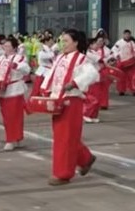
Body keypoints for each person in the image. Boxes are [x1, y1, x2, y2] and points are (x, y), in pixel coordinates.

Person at [41, 29, 99, 185]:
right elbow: (51, 75)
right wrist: (45, 89)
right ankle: (85, 158)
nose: (63, 44)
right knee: (63, 136)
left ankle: (63, 173)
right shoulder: (60, 57)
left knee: (65, 138)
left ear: (76, 43)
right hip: (57, 100)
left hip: (72, 101)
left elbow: (92, 74)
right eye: (62, 41)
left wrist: (75, 83)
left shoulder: (82, 59)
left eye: (66, 41)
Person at [0, 36, 30, 151]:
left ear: (14, 47)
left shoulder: (19, 58)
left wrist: (17, 66)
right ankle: (14, 137)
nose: (6, 48)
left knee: (15, 116)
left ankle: (12, 139)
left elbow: (26, 70)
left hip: (15, 89)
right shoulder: (2, 58)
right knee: (7, 117)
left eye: (8, 46)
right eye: (5, 46)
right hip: (3, 89)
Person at [111, 30, 135, 96]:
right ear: (124, 35)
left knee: (133, 77)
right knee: (121, 76)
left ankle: (134, 90)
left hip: (131, 62)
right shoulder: (119, 42)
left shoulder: (132, 42)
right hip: (122, 62)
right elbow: (114, 50)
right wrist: (117, 55)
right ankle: (121, 90)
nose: (127, 35)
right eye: (126, 34)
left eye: (128, 34)